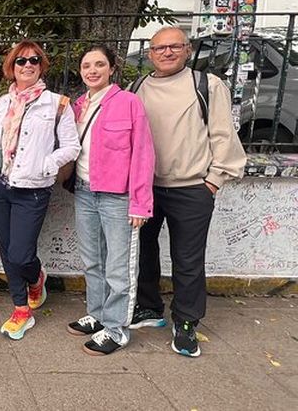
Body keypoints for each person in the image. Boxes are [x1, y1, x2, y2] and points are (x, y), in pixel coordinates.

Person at [130, 26, 246, 358]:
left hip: (191, 187)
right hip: (146, 187)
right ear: (150, 53)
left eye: (174, 47)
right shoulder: (138, 87)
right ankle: (149, 307)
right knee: (143, 252)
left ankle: (186, 322)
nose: (167, 53)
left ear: (187, 49)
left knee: (188, 259)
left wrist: (213, 180)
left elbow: (222, 134)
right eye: (159, 48)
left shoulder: (206, 85)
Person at [0, 40, 80, 340]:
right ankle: (21, 309)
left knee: (20, 254)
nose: (27, 65)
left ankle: (36, 277)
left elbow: (72, 146)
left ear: (41, 66)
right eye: (21, 61)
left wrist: (48, 163)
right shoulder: (5, 102)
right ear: (12, 67)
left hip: (32, 189)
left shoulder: (58, 104)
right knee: (7, 252)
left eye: (34, 60)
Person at [67, 45, 155, 355]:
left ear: (111, 69)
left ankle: (117, 329)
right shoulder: (78, 105)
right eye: (87, 65)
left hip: (118, 197)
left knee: (119, 267)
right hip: (84, 190)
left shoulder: (129, 103)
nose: (92, 70)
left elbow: (143, 154)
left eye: (99, 64)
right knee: (93, 261)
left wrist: (140, 203)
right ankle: (98, 314)